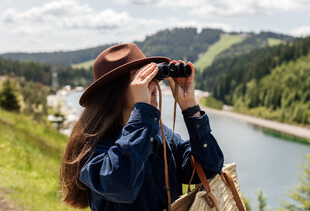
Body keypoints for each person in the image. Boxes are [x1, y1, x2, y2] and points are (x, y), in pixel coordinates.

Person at [60, 43, 224, 210]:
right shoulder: (92, 146)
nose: (152, 84)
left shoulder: (160, 134)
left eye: (153, 76)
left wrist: (190, 108)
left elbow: (209, 168)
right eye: (141, 78)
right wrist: (142, 114)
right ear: (116, 90)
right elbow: (121, 183)